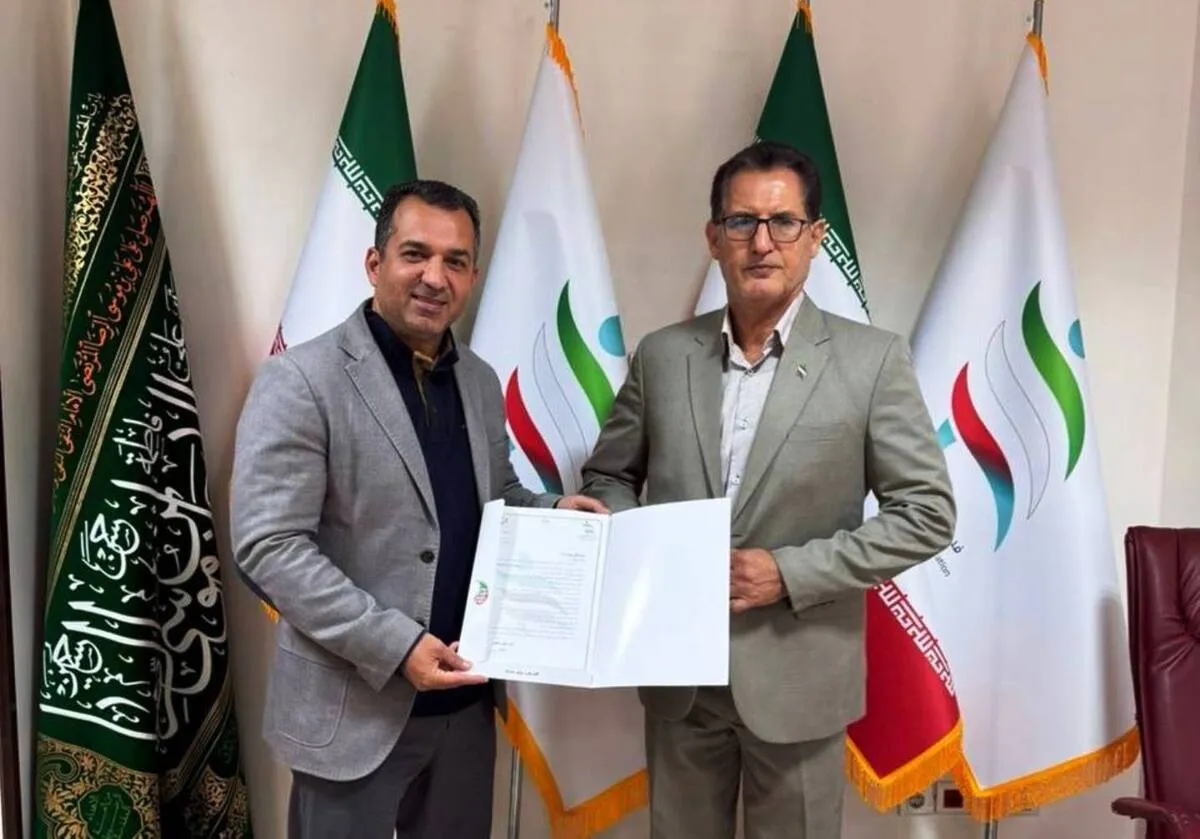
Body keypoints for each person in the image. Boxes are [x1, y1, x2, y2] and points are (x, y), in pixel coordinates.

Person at [579, 140, 956, 839]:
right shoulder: (662, 355)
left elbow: (926, 514)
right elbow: (609, 475)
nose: (761, 242)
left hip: (799, 678)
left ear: (815, 238)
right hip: (679, 676)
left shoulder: (872, 361)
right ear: (713, 237)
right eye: (741, 221)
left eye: (783, 222)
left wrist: (788, 572)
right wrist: (643, 540)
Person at [230, 179, 606, 839]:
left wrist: (555, 512)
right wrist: (397, 643)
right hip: (353, 713)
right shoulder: (302, 380)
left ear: (473, 277)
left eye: (455, 261)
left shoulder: (479, 380)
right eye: (415, 254)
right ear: (375, 263)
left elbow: (494, 498)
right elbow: (268, 547)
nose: (435, 277)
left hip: (465, 707)